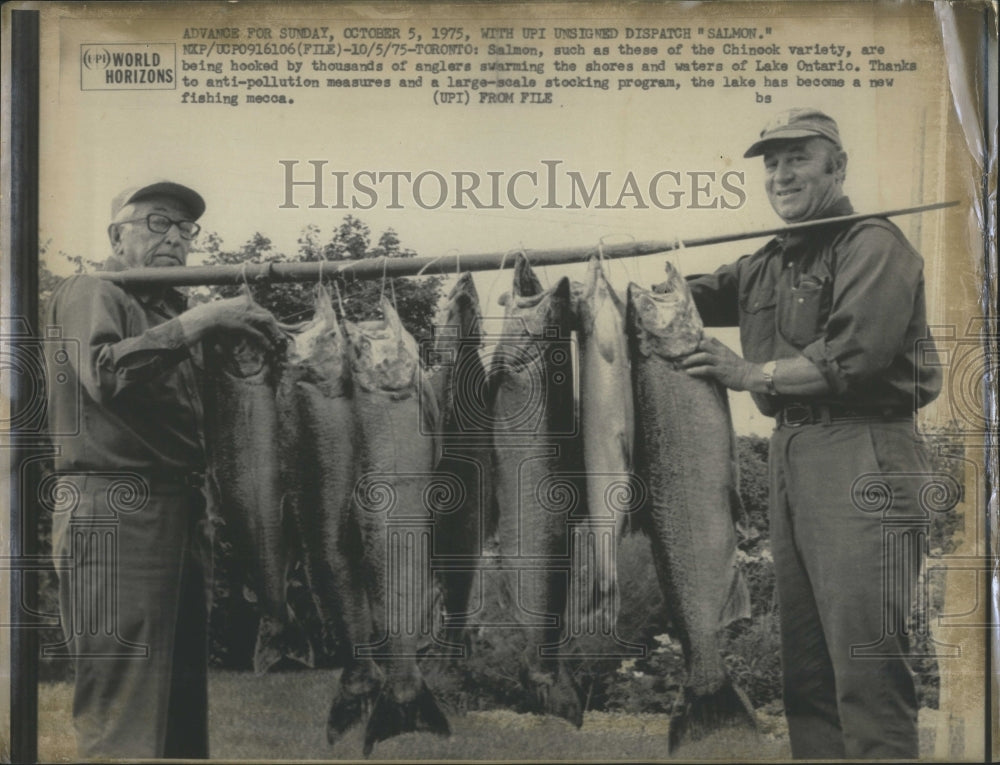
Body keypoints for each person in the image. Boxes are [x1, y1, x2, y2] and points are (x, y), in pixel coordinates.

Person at [680, 108, 941, 759]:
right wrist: (586, 287)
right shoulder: (768, 262)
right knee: (808, 677)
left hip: (864, 452)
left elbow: (854, 355)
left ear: (838, 166)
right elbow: (680, 297)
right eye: (772, 163)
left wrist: (748, 372)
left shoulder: (873, 244)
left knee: (865, 668)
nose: (781, 174)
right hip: (791, 455)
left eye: (797, 158)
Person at [44, 181, 283, 758]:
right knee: (123, 705)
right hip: (113, 507)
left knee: (177, 712)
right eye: (157, 222)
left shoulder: (170, 314)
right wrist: (205, 319)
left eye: (184, 228)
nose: (175, 236)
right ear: (116, 236)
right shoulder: (93, 289)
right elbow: (105, 375)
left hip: (180, 509)